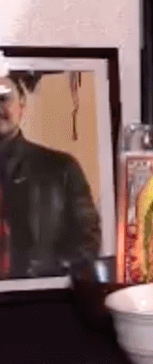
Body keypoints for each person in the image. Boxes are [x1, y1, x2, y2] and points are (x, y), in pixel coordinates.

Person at [0, 72, 101, 278]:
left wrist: (49, 275)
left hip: (41, 293)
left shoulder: (62, 168)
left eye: (3, 98)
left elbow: (88, 242)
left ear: (22, 105)